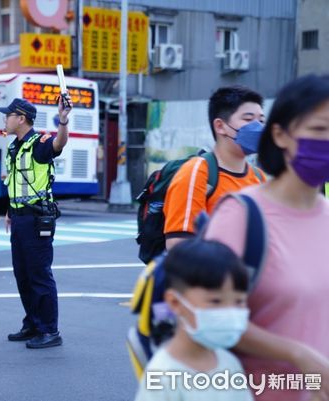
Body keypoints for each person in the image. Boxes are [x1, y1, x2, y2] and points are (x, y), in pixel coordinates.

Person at [204, 74, 329, 401]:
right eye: (319, 129)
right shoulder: (243, 215)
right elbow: (208, 316)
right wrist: (297, 355)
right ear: (280, 135)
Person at [134, 239, 253, 401]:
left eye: (239, 301)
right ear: (175, 303)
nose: (229, 312)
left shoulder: (229, 362)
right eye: (215, 301)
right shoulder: (163, 375)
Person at [0, 95, 72, 349]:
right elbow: (15, 183)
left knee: (39, 274)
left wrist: (62, 122)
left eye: (7, 115)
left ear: (21, 118)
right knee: (23, 274)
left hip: (36, 219)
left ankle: (49, 330)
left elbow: (58, 143)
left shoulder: (39, 143)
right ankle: (32, 323)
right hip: (19, 218)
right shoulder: (13, 146)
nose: (4, 119)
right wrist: (10, 211)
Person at [164, 86, 266, 250]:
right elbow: (178, 243)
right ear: (220, 126)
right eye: (248, 119)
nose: (258, 128)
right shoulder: (197, 172)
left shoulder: (260, 178)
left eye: (261, 121)